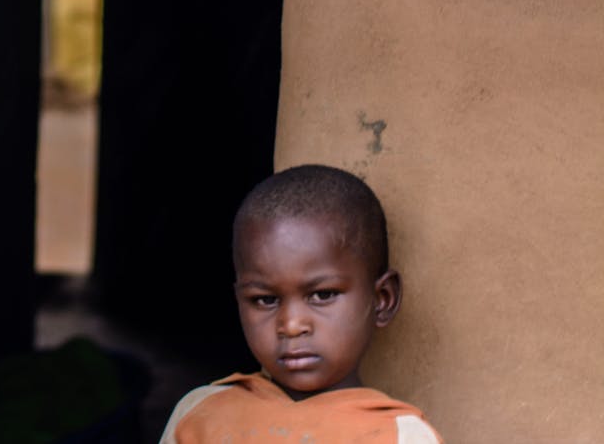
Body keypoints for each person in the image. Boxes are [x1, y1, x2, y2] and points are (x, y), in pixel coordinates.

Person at [159, 164, 443, 443]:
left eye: (323, 295)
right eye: (265, 300)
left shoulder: (400, 436)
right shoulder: (201, 416)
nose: (291, 325)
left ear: (383, 299)